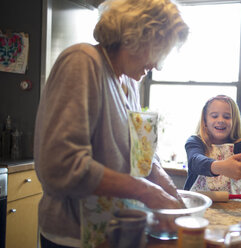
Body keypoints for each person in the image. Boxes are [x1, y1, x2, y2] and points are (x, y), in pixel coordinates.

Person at [33, 0, 189, 247]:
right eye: (159, 50)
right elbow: (61, 166)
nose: (158, 65)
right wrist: (148, 192)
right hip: (75, 236)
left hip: (117, 234)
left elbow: (144, 158)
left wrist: (175, 199)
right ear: (136, 37)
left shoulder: (130, 83)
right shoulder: (82, 61)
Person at [184, 95, 241, 194]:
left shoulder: (239, 146)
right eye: (214, 116)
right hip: (198, 203)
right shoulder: (196, 142)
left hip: (231, 205)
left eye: (226, 117)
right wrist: (222, 167)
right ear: (205, 121)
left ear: (234, 122)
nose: (220, 120)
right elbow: (195, 161)